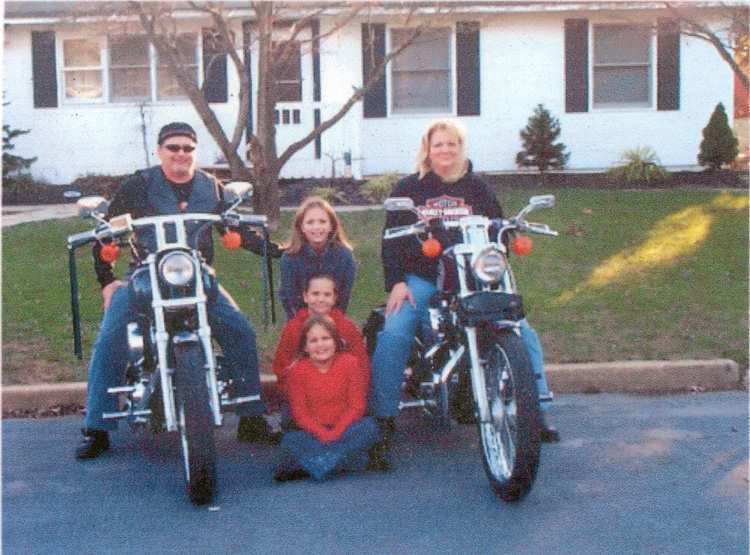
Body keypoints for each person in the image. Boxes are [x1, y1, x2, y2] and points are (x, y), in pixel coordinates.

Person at [75, 122, 280, 460]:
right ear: (160, 151)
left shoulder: (211, 187)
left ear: (195, 153)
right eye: (173, 147)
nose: (181, 154)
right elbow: (105, 235)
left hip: (196, 275)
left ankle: (251, 417)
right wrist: (107, 280)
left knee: (240, 331)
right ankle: (96, 426)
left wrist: (284, 250)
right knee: (111, 336)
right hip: (145, 274)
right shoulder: (138, 187)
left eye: (188, 148)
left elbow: (238, 231)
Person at [368, 118, 559, 466]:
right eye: (438, 144)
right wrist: (396, 282)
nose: (445, 150)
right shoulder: (409, 188)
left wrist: (510, 232)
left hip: (471, 277)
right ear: (427, 148)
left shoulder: (478, 188)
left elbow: (498, 230)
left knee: (521, 329)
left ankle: (536, 409)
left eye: (452, 144)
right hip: (424, 277)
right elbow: (389, 240)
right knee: (395, 331)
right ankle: (381, 418)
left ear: (461, 148)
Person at [274, 314, 380, 482]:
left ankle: (316, 465)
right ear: (305, 347)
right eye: (313, 341)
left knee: (370, 427)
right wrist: (323, 434)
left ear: (336, 342)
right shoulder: (297, 371)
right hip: (314, 433)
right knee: (289, 441)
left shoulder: (349, 363)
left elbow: (357, 407)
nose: (320, 345)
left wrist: (336, 433)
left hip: (346, 429)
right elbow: (300, 414)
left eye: (326, 338)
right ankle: (346, 462)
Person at [272, 272, 369, 394]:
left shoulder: (346, 326)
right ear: (305, 296)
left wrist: (356, 392)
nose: (321, 299)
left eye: (327, 294)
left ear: (334, 299)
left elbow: (361, 364)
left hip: (340, 392)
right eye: (315, 294)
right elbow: (281, 365)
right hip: (303, 393)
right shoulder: (294, 327)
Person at [278, 196, 356, 320]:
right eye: (310, 222)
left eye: (322, 222)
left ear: (331, 225)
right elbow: (290, 299)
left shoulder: (344, 256)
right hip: (299, 318)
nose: (317, 227)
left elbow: (343, 299)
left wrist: (328, 324)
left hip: (333, 318)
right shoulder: (290, 258)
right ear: (301, 227)